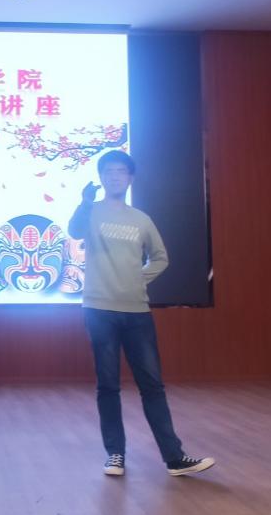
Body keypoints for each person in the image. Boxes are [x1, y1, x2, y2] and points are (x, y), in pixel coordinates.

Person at [68, 150, 214, 478]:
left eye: (121, 171)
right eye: (108, 171)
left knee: (152, 386)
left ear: (130, 178)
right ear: (101, 177)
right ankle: (115, 455)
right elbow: (74, 231)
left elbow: (161, 257)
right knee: (108, 385)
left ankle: (174, 458)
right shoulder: (90, 211)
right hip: (99, 309)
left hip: (136, 311)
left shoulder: (141, 220)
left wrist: (139, 277)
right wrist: (84, 203)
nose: (114, 176)